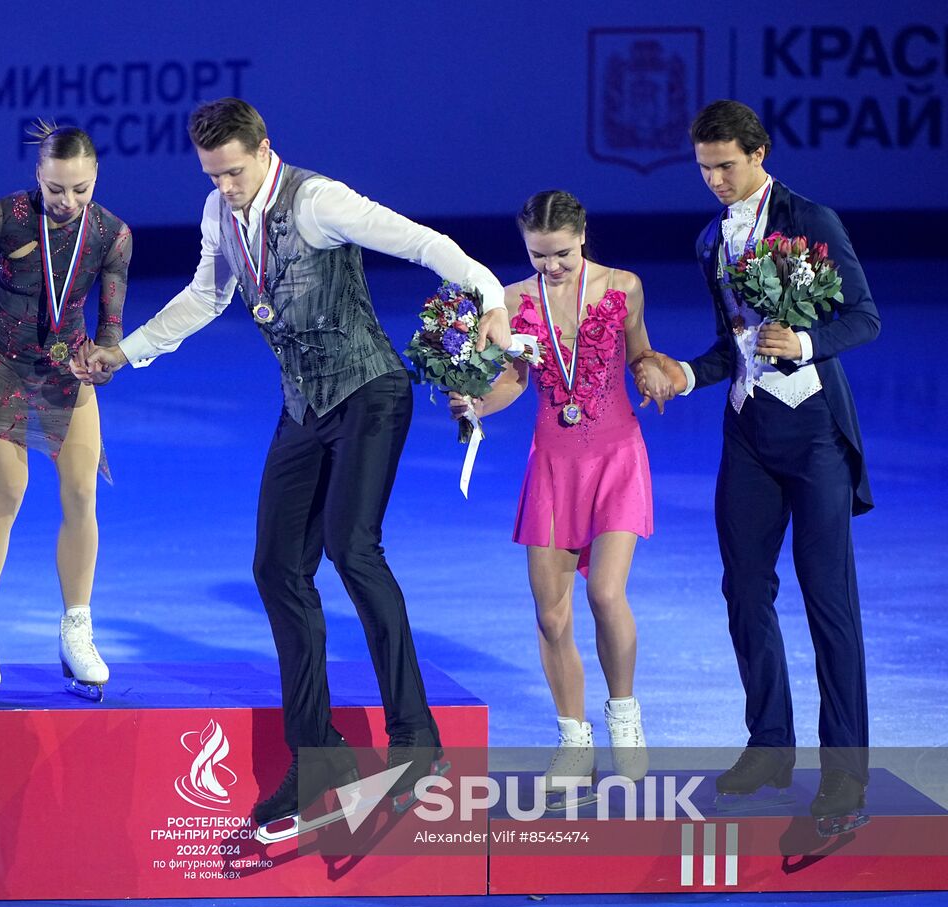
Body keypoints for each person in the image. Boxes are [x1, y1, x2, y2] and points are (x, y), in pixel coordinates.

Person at [73, 97, 511, 836]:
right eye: (213, 176)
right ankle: (317, 755)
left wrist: (491, 297)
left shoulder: (320, 201)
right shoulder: (220, 214)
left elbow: (422, 242)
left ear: (264, 149)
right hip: (304, 407)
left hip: (370, 391)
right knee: (276, 567)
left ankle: (417, 738)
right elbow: (207, 296)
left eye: (235, 173)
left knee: (352, 547)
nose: (226, 188)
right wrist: (127, 350)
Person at [636, 100, 879, 834]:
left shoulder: (811, 218)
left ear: (760, 153)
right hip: (747, 432)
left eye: (726, 166)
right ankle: (771, 743)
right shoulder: (710, 238)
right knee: (743, 590)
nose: (714, 180)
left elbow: (863, 317)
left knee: (828, 604)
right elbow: (730, 346)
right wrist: (681, 372)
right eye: (705, 168)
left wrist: (803, 344)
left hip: (812, 438)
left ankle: (845, 779)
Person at [449, 192, 654, 811]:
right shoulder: (512, 303)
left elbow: (641, 351)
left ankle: (624, 717)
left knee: (605, 593)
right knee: (551, 615)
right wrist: (476, 405)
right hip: (553, 466)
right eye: (539, 256)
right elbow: (515, 379)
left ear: (583, 236)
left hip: (617, 457)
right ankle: (574, 741)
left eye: (562, 254)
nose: (552, 266)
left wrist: (653, 371)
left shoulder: (624, 287)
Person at [0, 123, 132, 704]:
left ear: (95, 179)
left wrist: (104, 359)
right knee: (9, 490)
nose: (67, 202)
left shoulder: (111, 235)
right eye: (56, 189)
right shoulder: (4, 216)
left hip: (64, 365)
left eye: (79, 190)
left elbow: (109, 325)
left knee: (81, 493)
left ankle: (77, 629)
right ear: (38, 176)